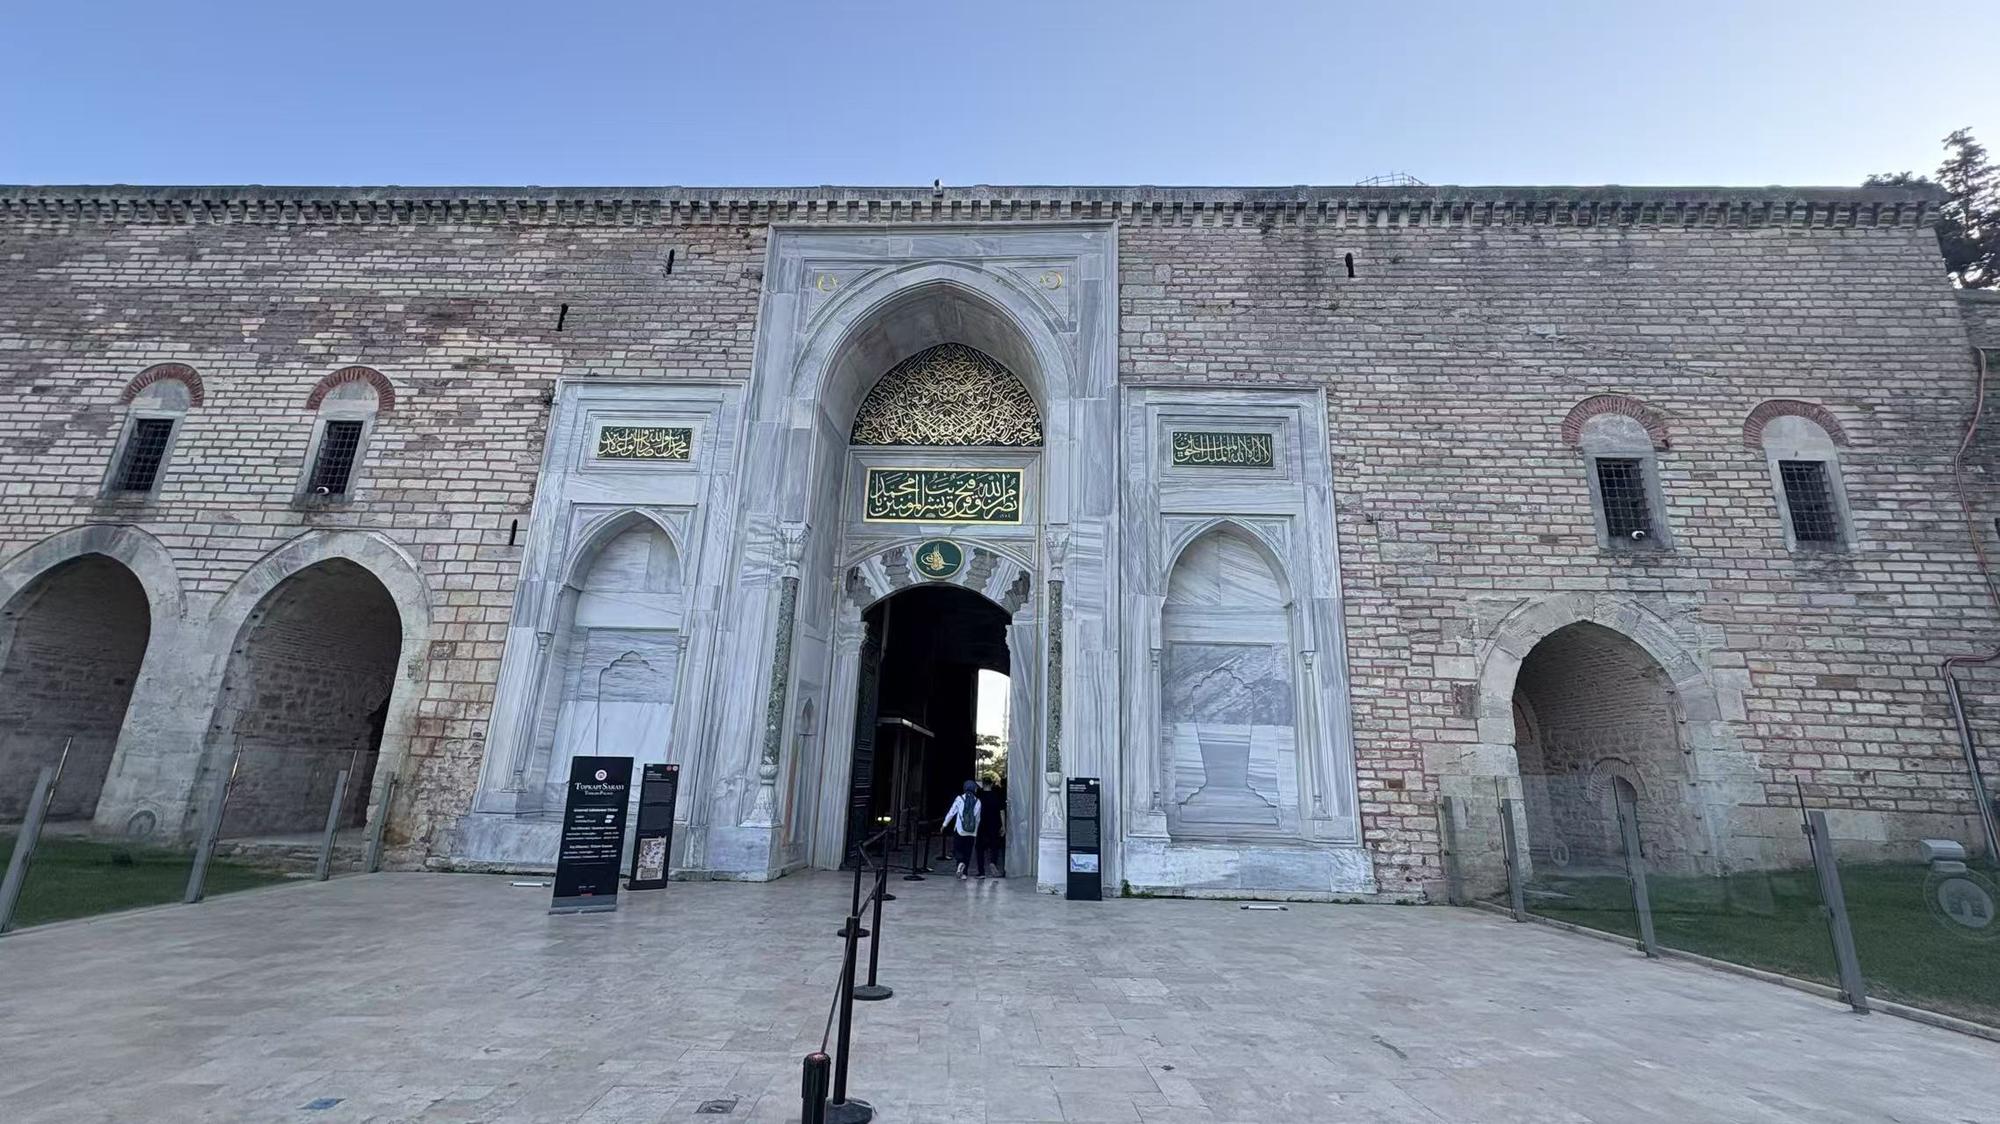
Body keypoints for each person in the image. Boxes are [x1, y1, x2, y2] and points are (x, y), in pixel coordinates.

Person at [941, 780, 980, 879]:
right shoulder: (978, 801)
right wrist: (975, 831)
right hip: (971, 832)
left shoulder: (959, 799)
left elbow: (952, 812)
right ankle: (964, 874)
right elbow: (977, 818)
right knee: (968, 852)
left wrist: (944, 824)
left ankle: (960, 863)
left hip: (959, 830)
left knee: (957, 849)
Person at [974, 777, 1005, 878]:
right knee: (994, 846)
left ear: (983, 784)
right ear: (991, 784)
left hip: (982, 824)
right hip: (994, 824)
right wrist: (1003, 826)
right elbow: (1001, 811)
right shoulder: (996, 796)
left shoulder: (979, 796)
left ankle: (981, 872)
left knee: (979, 848)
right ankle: (993, 862)